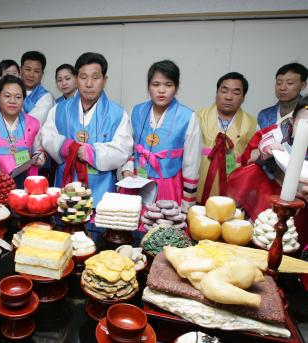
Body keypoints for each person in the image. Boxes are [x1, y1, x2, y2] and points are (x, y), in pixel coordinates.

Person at [41, 52, 133, 207]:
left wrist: (91, 152)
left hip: (101, 190)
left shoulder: (117, 114)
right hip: (66, 188)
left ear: (104, 80)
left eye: (95, 77)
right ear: (77, 79)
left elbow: (122, 149)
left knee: (99, 229)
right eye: (83, 77)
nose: (89, 84)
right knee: (64, 229)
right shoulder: (59, 110)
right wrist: (67, 146)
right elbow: (47, 136)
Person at [228, 96, 308, 247]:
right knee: (261, 227)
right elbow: (266, 140)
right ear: (292, 122)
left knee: (291, 235)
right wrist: (269, 148)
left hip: (301, 197)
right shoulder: (281, 130)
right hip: (269, 184)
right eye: (304, 123)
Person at [121, 60, 201, 209]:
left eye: (168, 85)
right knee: (130, 225)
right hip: (136, 181)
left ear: (176, 88)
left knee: (162, 228)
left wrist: (187, 206)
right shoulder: (136, 111)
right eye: (156, 84)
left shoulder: (188, 117)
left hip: (168, 185)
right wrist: (127, 169)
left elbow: (192, 164)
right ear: (148, 86)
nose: (161, 90)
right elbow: (128, 148)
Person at [196, 72, 257, 204]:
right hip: (198, 186)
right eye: (224, 91)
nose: (229, 97)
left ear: (243, 97)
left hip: (234, 191)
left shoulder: (252, 124)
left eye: (236, 92)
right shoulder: (197, 117)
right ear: (216, 93)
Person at [0, 75, 46, 186]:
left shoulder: (33, 123)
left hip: (27, 184)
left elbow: (39, 150)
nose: (12, 101)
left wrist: (40, 157)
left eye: (18, 97)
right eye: (7, 96)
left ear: (23, 100)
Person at [257, 62, 307, 129]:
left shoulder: (306, 113)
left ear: (303, 85)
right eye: (279, 83)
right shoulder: (264, 115)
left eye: (290, 83)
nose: (282, 88)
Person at [20, 51, 55, 125]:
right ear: (20, 70)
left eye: (36, 71)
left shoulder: (46, 97)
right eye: (28, 69)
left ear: (42, 74)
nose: (31, 75)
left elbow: (31, 125)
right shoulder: (9, 92)